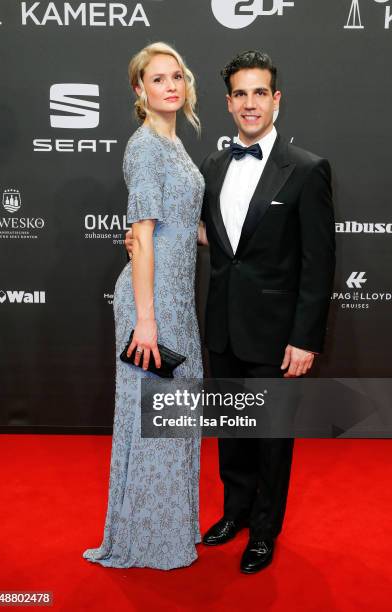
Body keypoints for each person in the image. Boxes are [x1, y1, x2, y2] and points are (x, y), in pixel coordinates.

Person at [199, 50, 336, 573]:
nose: (250, 103)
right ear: (228, 102)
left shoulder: (306, 170)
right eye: (240, 94)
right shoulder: (213, 165)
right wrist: (150, 239)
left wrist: (305, 339)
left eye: (260, 93)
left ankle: (264, 530)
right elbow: (219, 240)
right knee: (232, 431)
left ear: (276, 99)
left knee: (272, 440)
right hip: (224, 329)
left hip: (278, 336)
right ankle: (234, 513)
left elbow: (317, 262)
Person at [83, 42, 205, 570]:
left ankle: (171, 526)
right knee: (153, 418)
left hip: (177, 299)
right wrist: (148, 321)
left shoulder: (175, 144)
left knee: (175, 416)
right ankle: (148, 540)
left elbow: (186, 229)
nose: (170, 86)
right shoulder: (145, 148)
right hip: (150, 305)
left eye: (176, 76)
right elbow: (144, 235)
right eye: (157, 79)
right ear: (140, 90)